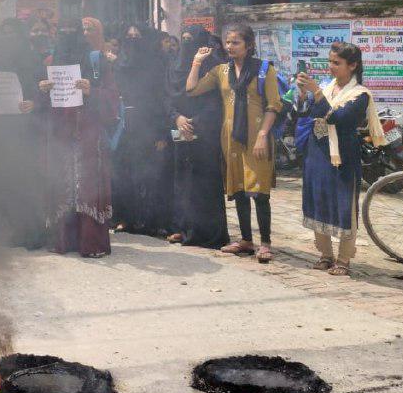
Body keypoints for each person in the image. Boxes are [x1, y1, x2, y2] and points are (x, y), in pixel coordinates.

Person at [187, 22, 282, 263]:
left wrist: (263, 135)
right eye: (227, 42)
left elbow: (273, 106)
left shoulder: (264, 70)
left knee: (259, 192)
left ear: (248, 45)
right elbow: (192, 89)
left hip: (257, 137)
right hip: (231, 138)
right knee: (239, 189)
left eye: (236, 42)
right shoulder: (221, 71)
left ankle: (266, 243)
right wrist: (196, 62)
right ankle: (246, 240)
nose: (230, 46)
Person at [296, 42, 383, 277]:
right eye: (330, 61)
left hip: (343, 155)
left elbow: (337, 118)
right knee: (318, 200)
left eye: (337, 63)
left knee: (344, 204)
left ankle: (343, 259)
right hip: (317, 151)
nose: (331, 66)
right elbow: (307, 114)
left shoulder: (360, 95)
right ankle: (325, 255)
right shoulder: (326, 86)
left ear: (352, 66)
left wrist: (316, 93)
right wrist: (304, 94)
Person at [40, 20, 119, 256]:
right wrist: (42, 89)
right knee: (63, 185)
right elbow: (41, 107)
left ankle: (91, 241)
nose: (69, 37)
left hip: (89, 133)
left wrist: (91, 91)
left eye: (73, 32)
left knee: (88, 187)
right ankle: (63, 240)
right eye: (63, 33)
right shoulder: (50, 62)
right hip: (61, 135)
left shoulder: (96, 60)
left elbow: (113, 96)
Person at [0, 19, 46, 248]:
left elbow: (46, 90)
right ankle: (5, 233)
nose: (7, 37)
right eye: (4, 33)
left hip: (26, 128)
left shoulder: (34, 59)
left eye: (12, 33)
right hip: (2, 128)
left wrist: (35, 103)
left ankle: (31, 233)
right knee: (3, 179)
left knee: (26, 180)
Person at [166, 26, 230, 249]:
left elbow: (218, 101)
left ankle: (207, 233)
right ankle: (183, 228)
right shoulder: (174, 67)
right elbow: (168, 98)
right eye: (183, 39)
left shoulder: (214, 66)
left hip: (205, 132)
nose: (187, 44)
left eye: (191, 40)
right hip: (180, 129)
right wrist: (177, 118)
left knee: (204, 182)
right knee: (182, 180)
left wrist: (195, 123)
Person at [112, 24, 173, 237]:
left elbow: (163, 98)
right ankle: (125, 218)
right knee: (123, 174)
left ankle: (152, 221)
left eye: (137, 36)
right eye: (129, 36)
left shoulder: (156, 64)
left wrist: (162, 132)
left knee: (149, 174)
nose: (133, 40)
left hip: (149, 125)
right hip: (123, 126)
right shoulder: (118, 64)